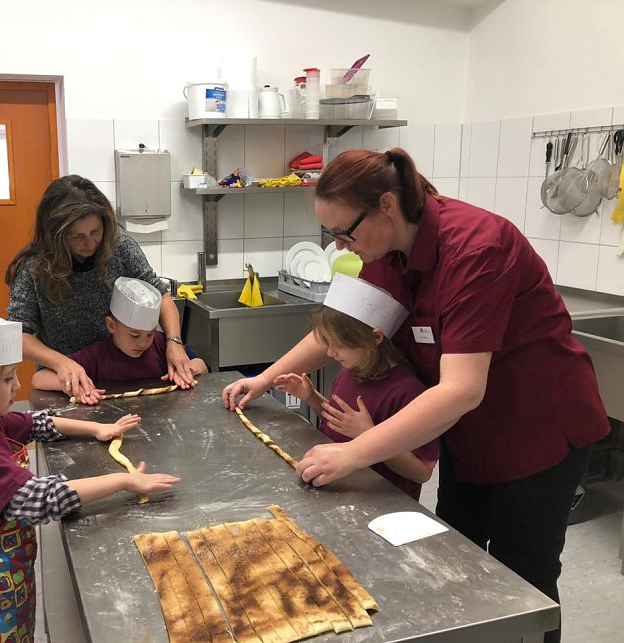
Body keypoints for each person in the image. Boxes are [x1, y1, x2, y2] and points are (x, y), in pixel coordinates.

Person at [222, 147, 609, 642]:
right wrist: (263, 378)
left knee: (522, 581)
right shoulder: (386, 253)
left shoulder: (477, 249)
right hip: (468, 435)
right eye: (332, 235)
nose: (341, 246)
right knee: (455, 560)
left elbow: (463, 388)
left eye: (346, 232)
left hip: (538, 431)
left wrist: (353, 452)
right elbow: (342, 330)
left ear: (386, 205)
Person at [0, 314, 180, 642]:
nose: (16, 386)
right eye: (7, 378)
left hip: (7, 578)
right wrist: (125, 481)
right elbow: (40, 500)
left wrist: (98, 428)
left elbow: (37, 423)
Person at [6, 175, 195, 405]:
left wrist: (174, 342)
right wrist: (61, 363)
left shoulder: (120, 246)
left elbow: (161, 296)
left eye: (96, 231)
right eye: (78, 237)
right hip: (69, 388)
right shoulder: (34, 268)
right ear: (54, 235)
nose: (91, 243)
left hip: (121, 374)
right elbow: (19, 335)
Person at [273, 274, 436, 500]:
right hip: (338, 488)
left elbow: (421, 472)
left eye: (338, 344)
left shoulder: (409, 393)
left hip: (381, 503)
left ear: (376, 338)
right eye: (327, 343)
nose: (330, 353)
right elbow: (340, 422)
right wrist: (311, 397)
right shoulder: (351, 373)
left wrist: (369, 435)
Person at [32, 276, 207, 391]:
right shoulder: (97, 356)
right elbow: (39, 379)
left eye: (149, 334)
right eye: (134, 335)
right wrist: (79, 385)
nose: (142, 343)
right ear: (111, 325)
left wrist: (188, 371)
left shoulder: (161, 345)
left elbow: (201, 364)